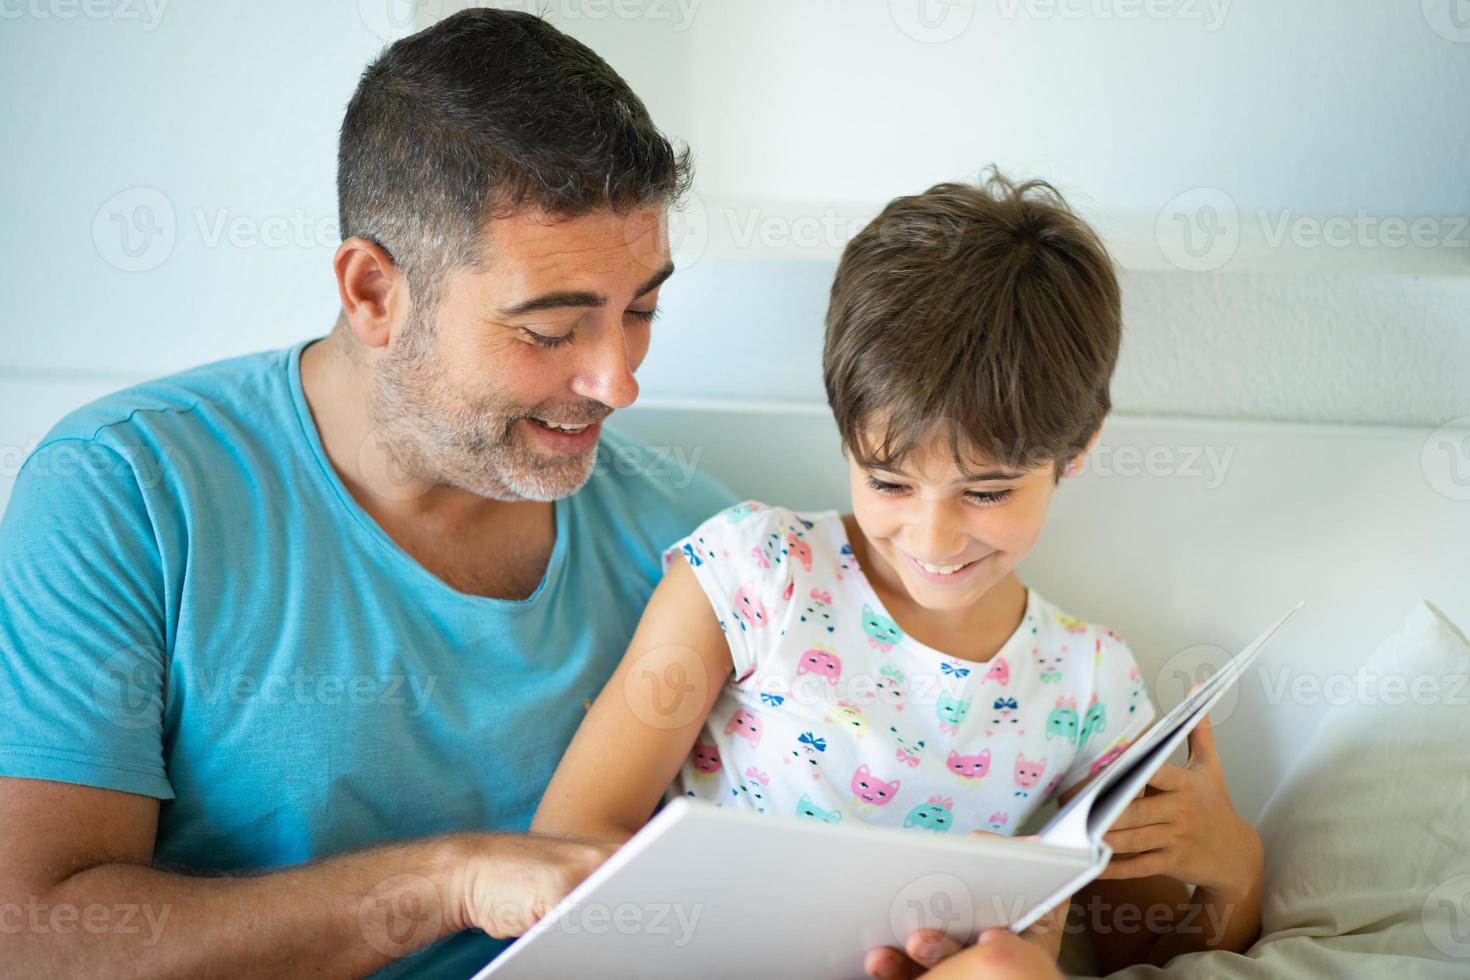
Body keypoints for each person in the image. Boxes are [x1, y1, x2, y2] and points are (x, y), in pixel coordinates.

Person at [0, 9, 738, 977]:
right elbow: (30, 935)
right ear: (374, 292)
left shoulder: (703, 549)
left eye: (639, 309)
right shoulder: (123, 492)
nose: (619, 381)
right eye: (552, 329)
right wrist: (448, 882)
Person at [532, 176, 1268, 973]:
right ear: (846, 431)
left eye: (986, 493)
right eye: (888, 481)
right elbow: (564, 847)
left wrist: (1235, 869)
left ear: (1077, 447)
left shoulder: (1090, 686)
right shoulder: (759, 575)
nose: (933, 535)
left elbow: (1153, 963)